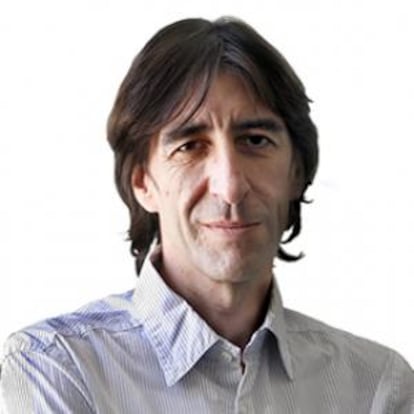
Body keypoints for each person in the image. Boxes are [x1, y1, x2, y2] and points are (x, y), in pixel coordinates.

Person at [1, 16, 413, 413]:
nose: (230, 186)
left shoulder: (377, 385)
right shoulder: (56, 368)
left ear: (296, 172)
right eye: (190, 146)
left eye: (255, 140)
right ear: (143, 183)